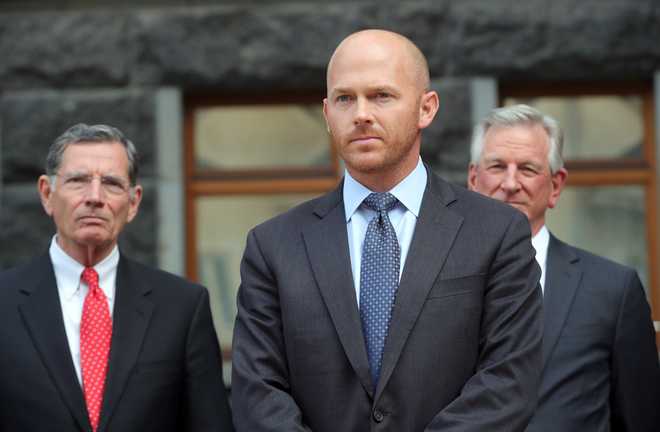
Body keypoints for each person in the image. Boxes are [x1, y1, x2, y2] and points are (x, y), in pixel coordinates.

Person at [231, 29, 543, 431]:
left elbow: (508, 382)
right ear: (327, 114)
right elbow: (258, 391)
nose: (361, 113)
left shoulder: (497, 233)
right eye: (345, 98)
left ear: (426, 108)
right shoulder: (273, 246)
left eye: (381, 96)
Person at [0, 124, 233, 431]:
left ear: (133, 202)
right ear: (47, 194)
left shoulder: (181, 308)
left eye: (110, 183)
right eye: (78, 181)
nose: (94, 197)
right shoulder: (5, 302)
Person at [468, 104, 660, 431]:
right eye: (497, 166)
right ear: (474, 179)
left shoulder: (613, 290)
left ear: (555, 186)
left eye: (527, 169)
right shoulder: (432, 279)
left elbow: (642, 418)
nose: (511, 183)